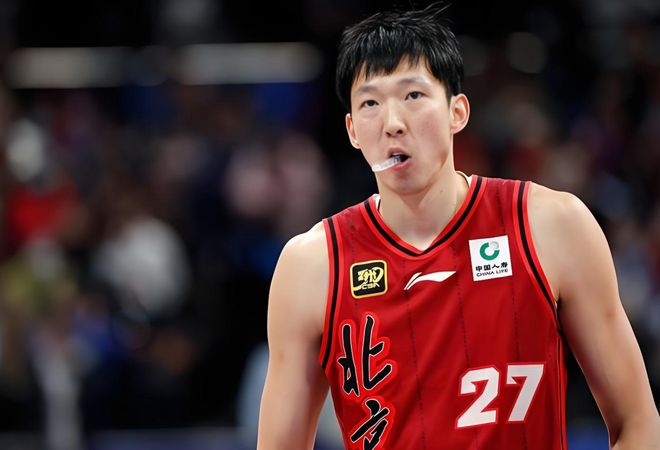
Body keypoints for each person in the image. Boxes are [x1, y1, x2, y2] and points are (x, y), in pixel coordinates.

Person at [257, 4, 660, 449]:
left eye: (413, 96)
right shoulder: (312, 265)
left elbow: (637, 421)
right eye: (370, 103)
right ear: (352, 131)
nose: (393, 124)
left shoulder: (552, 226)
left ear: (458, 112)